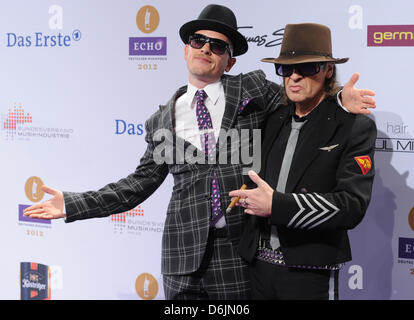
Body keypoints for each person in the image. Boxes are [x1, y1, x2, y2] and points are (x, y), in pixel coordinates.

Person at [24, 6, 375, 300]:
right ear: (186, 49)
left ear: (230, 61)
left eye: (218, 46)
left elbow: (305, 97)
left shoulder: (253, 91)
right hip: (181, 259)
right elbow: (137, 185)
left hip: (240, 257)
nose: (206, 49)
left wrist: (340, 99)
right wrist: (73, 203)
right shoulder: (161, 119)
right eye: (198, 40)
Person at [230, 23, 377, 300]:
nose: (294, 77)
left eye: (307, 68)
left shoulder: (353, 127)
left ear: (328, 70)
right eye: (286, 69)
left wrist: (277, 205)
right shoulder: (273, 119)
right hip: (255, 269)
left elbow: (351, 206)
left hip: (310, 272)